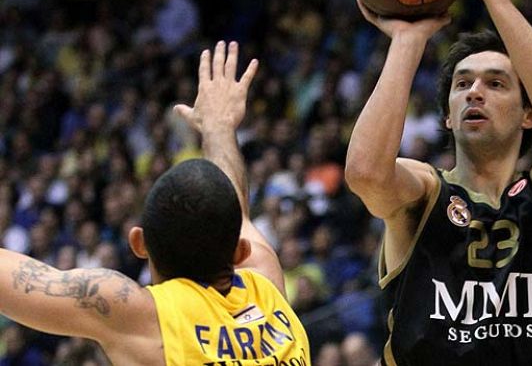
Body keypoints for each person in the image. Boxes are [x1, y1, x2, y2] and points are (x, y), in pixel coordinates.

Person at [344, 0, 532, 364]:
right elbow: (365, 172)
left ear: (529, 113)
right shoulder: (423, 194)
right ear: (446, 117)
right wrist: (407, 38)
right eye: (462, 84)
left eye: (496, 83)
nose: (475, 91)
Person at [0, 41, 310, 364]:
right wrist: (219, 127)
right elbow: (235, 210)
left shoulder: (143, 319)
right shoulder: (266, 284)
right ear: (240, 250)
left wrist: (217, 128)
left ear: (139, 242)